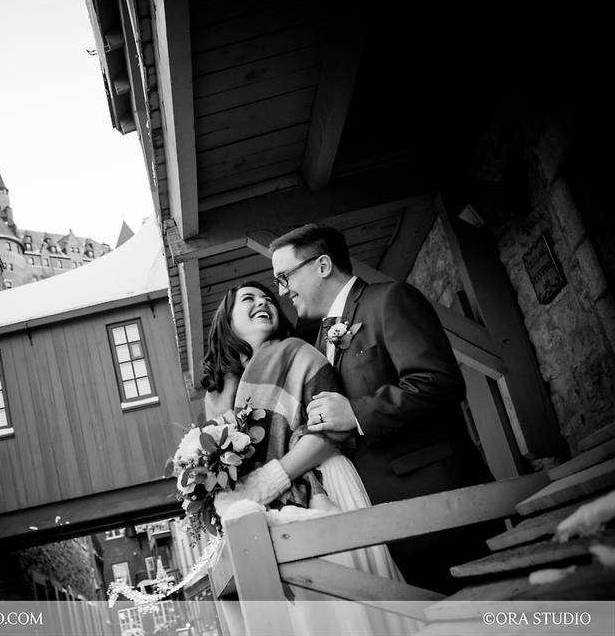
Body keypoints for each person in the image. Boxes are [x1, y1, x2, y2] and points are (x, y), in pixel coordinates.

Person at [270, 223, 495, 593]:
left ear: (322, 265)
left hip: (439, 504)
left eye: (285, 276)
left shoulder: (390, 300)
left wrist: (356, 414)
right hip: (381, 520)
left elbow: (438, 383)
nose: (283, 290)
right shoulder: (318, 339)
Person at [200, 282, 412, 587]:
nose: (263, 303)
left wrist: (270, 480)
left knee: (355, 589)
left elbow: (330, 430)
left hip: (321, 481)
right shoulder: (217, 394)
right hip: (256, 508)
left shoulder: (299, 353)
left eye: (269, 299)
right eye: (249, 299)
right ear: (228, 321)